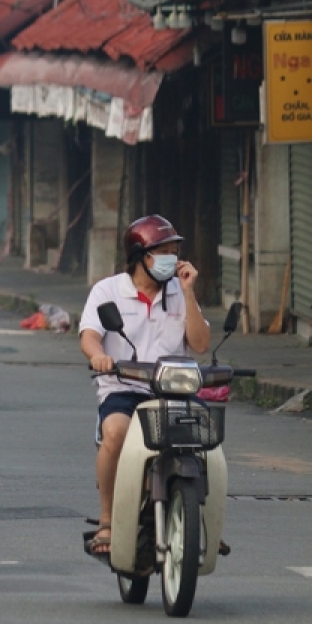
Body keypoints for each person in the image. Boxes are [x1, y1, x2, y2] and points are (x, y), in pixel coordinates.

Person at [78, 215, 209, 557]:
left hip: (173, 391)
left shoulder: (180, 293)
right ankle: (107, 519)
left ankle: (199, 518)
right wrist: (99, 357)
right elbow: (90, 335)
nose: (171, 259)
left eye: (174, 251)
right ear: (139, 256)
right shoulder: (108, 291)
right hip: (123, 388)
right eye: (161, 252)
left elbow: (200, 343)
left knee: (206, 438)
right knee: (116, 434)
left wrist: (189, 292)